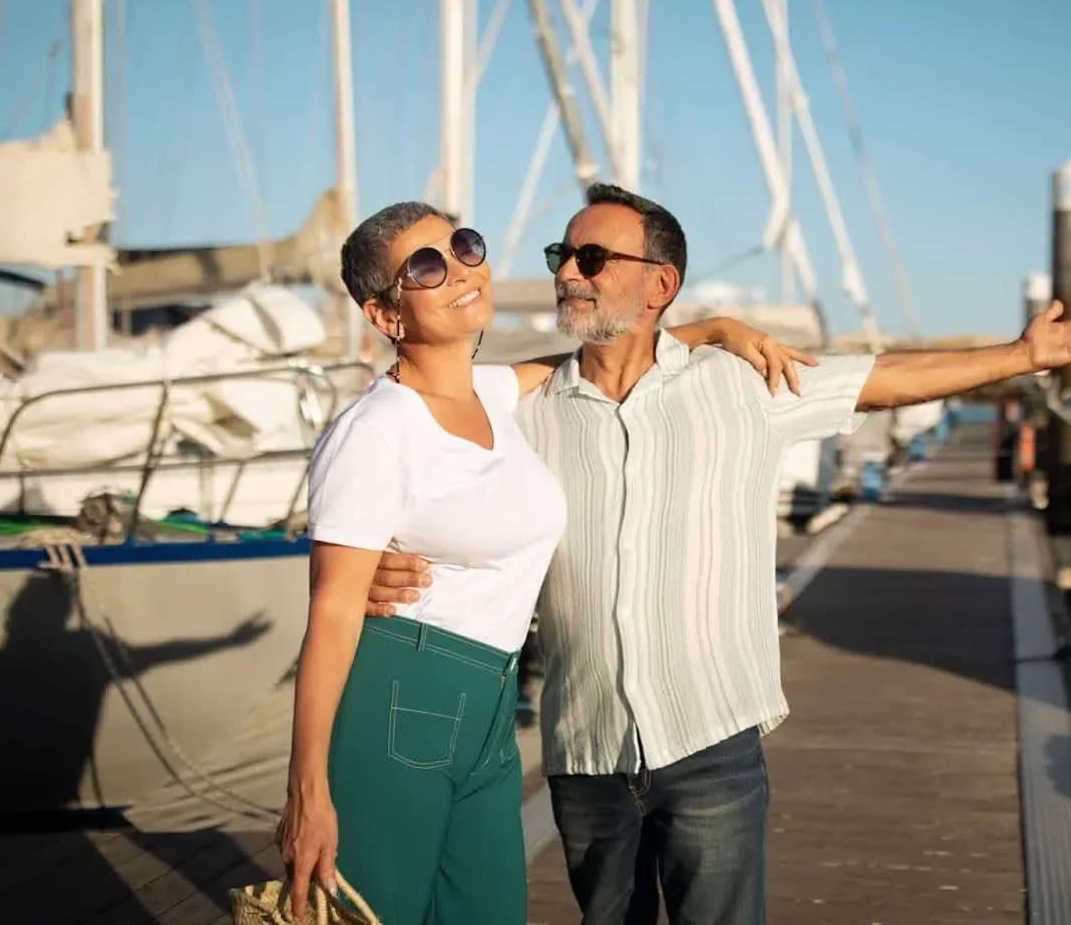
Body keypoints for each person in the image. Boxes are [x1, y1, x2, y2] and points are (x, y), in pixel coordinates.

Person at [365, 183, 1071, 925]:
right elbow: (415, 450)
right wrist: (371, 558)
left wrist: (1022, 355)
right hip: (587, 746)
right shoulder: (526, 406)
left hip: (709, 743)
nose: (568, 270)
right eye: (564, 252)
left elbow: (884, 380)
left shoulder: (741, 384)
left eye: (593, 258)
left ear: (658, 282)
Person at [279, 200, 809, 923]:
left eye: (465, 246)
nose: (464, 269)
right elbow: (333, 610)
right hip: (403, 689)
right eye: (428, 266)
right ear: (385, 313)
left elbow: (609, 349)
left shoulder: (495, 395)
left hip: (493, 708)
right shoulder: (374, 430)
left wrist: (712, 329)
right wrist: (306, 789)